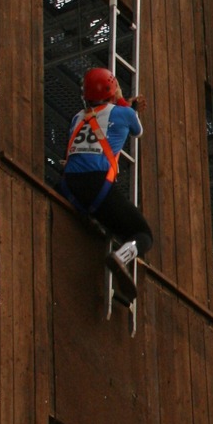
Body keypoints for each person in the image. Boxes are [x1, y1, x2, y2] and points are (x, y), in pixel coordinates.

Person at [59, 67, 153, 302]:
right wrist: (123, 99)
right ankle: (121, 257)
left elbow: (104, 121)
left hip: (68, 185)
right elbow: (137, 130)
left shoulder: (77, 119)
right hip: (96, 186)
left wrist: (124, 103)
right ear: (112, 90)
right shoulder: (124, 114)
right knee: (143, 234)